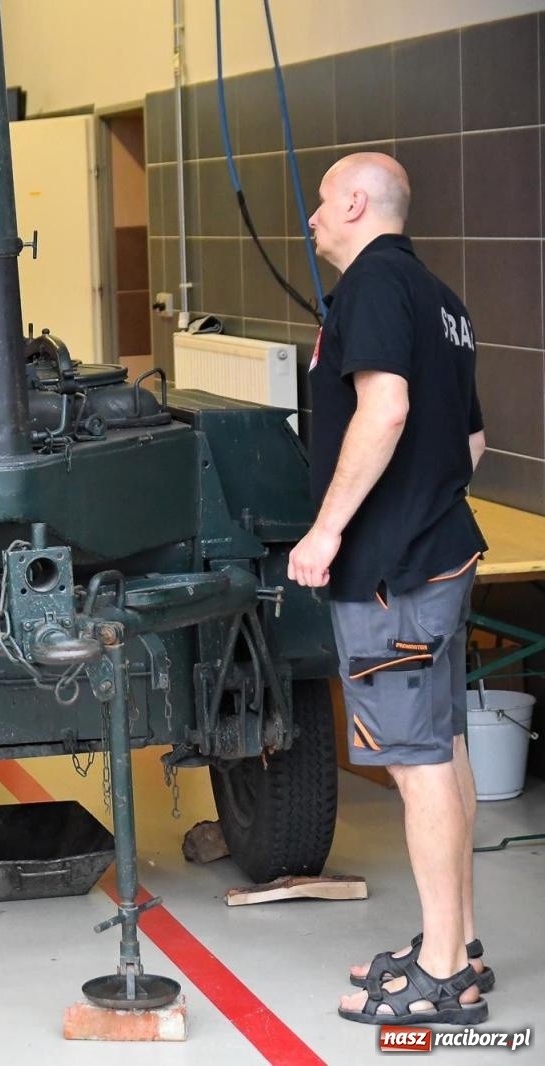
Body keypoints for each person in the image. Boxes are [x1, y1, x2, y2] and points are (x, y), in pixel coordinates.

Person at [289, 152, 490, 1026]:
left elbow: (388, 409)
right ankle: (461, 945)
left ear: (359, 203)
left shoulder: (370, 287)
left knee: (415, 766)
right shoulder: (442, 298)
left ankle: (443, 975)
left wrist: (331, 529)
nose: (311, 220)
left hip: (393, 571)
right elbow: (473, 443)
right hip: (441, 551)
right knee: (441, 751)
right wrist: (423, 506)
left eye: (323, 204)